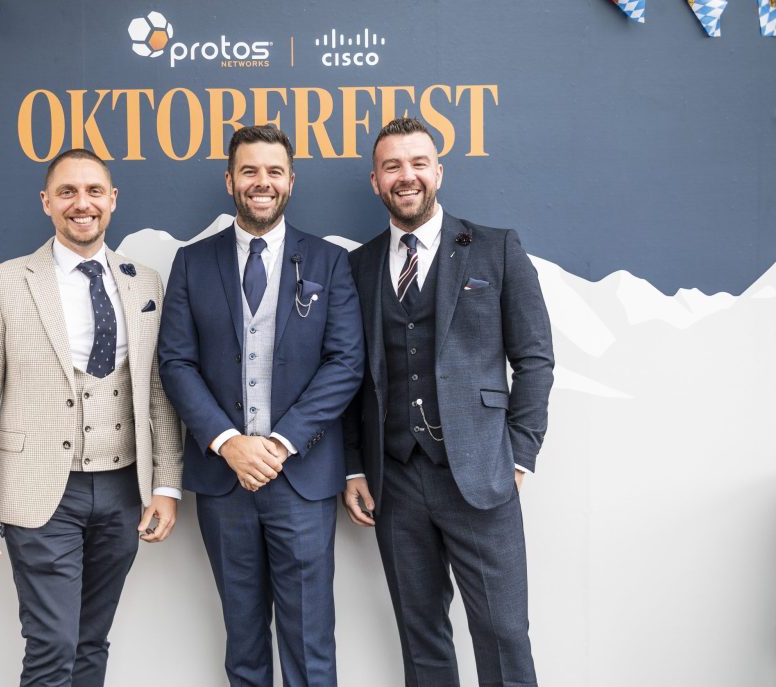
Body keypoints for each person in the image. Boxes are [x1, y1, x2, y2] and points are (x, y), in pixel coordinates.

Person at [0, 148, 183, 687]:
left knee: (90, 641)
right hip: (40, 492)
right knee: (53, 644)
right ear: (47, 202)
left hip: (125, 489)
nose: (83, 204)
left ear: (113, 199)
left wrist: (167, 484)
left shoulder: (144, 281)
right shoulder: (3, 282)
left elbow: (156, 390)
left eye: (94, 191)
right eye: (68, 193)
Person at [342, 118, 554, 687]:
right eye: (392, 166)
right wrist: (356, 464)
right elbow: (350, 377)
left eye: (417, 163)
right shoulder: (357, 267)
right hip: (396, 478)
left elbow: (534, 358)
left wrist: (520, 453)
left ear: (439, 171)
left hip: (482, 472)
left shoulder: (495, 248)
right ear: (375, 181)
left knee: (504, 634)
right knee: (421, 636)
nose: (405, 175)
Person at [158, 125, 364, 687]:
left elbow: (345, 364)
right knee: (243, 643)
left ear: (290, 182)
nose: (261, 183)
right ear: (230, 180)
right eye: (249, 171)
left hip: (301, 480)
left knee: (309, 643)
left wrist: (277, 443)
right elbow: (176, 363)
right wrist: (229, 443)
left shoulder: (328, 262)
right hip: (225, 484)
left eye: (273, 171)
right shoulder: (192, 263)